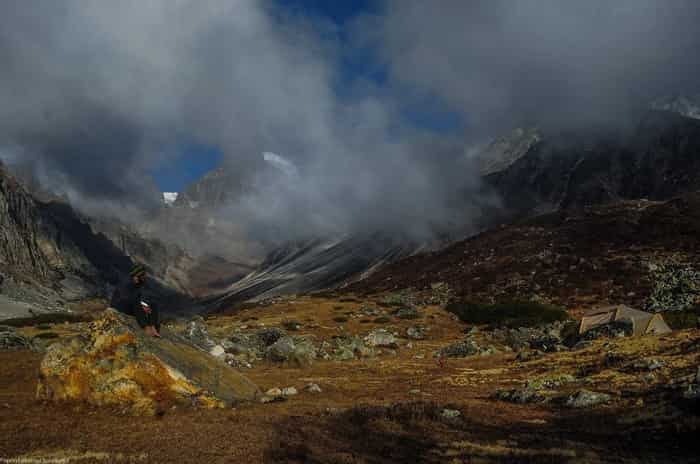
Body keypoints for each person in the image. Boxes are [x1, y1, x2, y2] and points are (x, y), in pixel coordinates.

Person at [110, 263, 161, 337]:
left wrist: (144, 305)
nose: (145, 276)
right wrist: (141, 306)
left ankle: (153, 328)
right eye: (143, 274)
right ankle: (146, 328)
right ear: (138, 274)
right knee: (137, 305)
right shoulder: (126, 282)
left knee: (153, 305)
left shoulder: (138, 283)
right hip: (119, 306)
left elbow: (137, 298)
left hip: (130, 305)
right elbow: (125, 298)